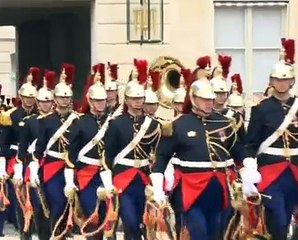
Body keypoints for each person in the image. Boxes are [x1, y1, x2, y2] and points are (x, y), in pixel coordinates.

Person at [150, 76, 245, 240]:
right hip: (190, 189)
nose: (209, 103)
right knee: (198, 233)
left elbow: (238, 152)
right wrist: (158, 188)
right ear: (193, 99)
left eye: (211, 99)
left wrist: (248, 172)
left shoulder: (225, 123)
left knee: (217, 234)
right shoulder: (177, 125)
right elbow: (161, 157)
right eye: (204, 99)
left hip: (220, 189)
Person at [245, 38, 298, 240]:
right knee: (278, 217)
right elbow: (250, 143)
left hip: (296, 169)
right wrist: (249, 165)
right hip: (271, 171)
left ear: (291, 81)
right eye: (277, 80)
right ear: (271, 82)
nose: (281, 83)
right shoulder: (261, 109)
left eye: (285, 80)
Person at [104, 59, 161, 240]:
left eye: (140, 98)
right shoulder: (116, 123)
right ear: (127, 100)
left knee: (144, 222)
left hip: (144, 178)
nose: (137, 102)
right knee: (129, 221)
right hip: (122, 178)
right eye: (134, 98)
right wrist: (109, 180)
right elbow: (109, 153)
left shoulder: (153, 125)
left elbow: (158, 153)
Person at [68, 64, 115, 240]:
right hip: (87, 175)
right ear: (90, 101)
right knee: (92, 217)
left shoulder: (112, 122)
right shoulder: (80, 123)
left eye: (103, 101)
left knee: (108, 216)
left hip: (107, 173)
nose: (101, 104)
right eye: (97, 101)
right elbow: (72, 153)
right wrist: (70, 179)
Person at [32, 63, 79, 239]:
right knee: (57, 203)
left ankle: (63, 234)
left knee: (69, 204)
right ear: (55, 99)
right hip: (52, 167)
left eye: (67, 98)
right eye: (61, 97)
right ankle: (54, 234)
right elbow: (40, 148)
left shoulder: (77, 120)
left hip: (71, 166)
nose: (65, 100)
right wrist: (35, 169)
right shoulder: (47, 121)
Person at [0, 67, 39, 240]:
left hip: (35, 159)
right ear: (20, 97)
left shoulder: (40, 116)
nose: (29, 100)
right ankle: (23, 228)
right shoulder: (11, 116)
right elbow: (3, 144)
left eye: (32, 97)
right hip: (15, 160)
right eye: (27, 97)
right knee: (19, 196)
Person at [17, 70, 56, 239]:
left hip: (53, 165)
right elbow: (22, 148)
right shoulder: (30, 122)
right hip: (33, 165)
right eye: (42, 102)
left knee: (54, 204)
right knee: (36, 206)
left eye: (48, 102)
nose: (45, 105)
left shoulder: (57, 121)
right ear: (37, 103)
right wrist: (19, 172)